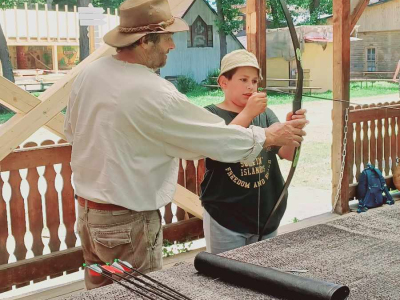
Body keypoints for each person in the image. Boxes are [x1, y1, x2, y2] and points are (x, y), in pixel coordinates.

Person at [64, 0, 307, 290]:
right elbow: (215, 140)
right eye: (167, 37)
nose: (172, 46)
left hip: (90, 217)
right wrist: (268, 136)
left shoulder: (91, 74)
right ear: (144, 41)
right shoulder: (154, 92)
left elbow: (72, 132)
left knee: (101, 292)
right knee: (137, 294)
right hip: (127, 224)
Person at [200, 50, 308, 254]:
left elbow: (287, 154)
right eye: (243, 79)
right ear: (224, 82)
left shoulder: (266, 114)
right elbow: (218, 148)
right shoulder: (211, 114)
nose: (250, 86)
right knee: (226, 277)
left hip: (266, 214)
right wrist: (248, 112)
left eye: (254, 81)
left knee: (262, 275)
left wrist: (292, 130)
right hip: (225, 217)